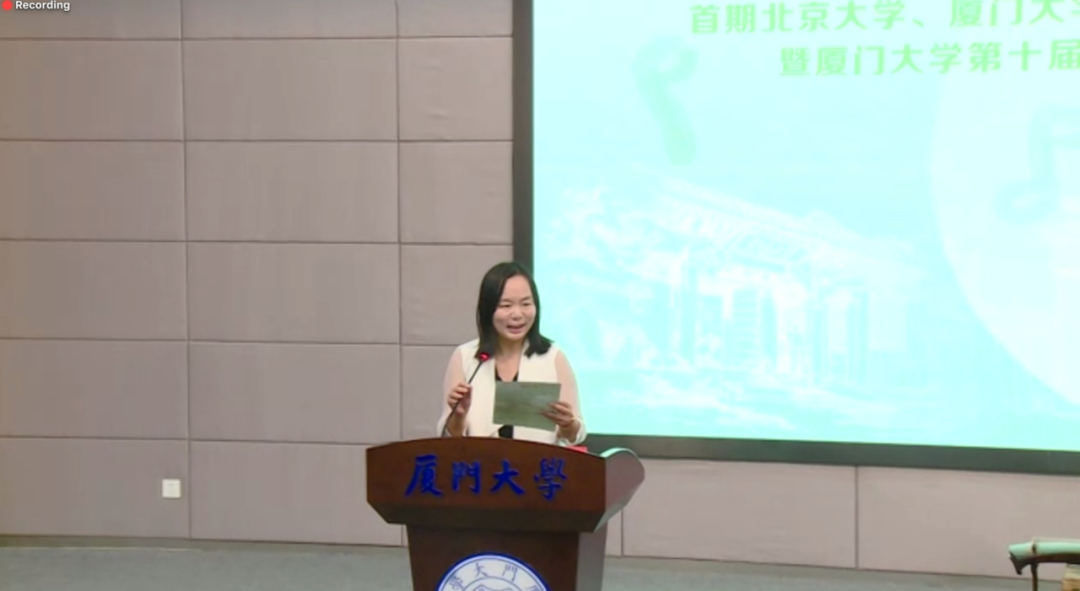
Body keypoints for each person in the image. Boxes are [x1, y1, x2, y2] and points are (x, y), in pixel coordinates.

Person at [436, 261, 586, 446]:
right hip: (479, 462)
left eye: (526, 304)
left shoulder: (553, 357)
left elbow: (576, 434)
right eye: (506, 305)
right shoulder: (466, 357)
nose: (517, 314)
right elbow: (447, 438)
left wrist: (568, 424)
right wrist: (458, 415)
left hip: (536, 463)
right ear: (488, 309)